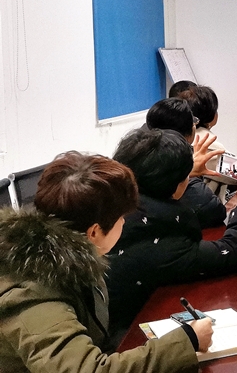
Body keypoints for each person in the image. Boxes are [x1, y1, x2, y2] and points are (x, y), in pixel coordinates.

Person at [0, 152, 213, 372]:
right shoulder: (32, 294)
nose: (124, 222)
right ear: (94, 232)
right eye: (121, 217)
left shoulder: (69, 258)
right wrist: (187, 341)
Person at [106, 128, 237, 345]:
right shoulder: (159, 236)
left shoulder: (114, 204)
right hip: (125, 340)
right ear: (175, 185)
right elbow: (233, 251)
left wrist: (185, 175)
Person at [146, 98, 226, 228]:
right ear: (188, 132)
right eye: (193, 121)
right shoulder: (187, 174)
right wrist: (187, 171)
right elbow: (215, 210)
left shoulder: (133, 156)